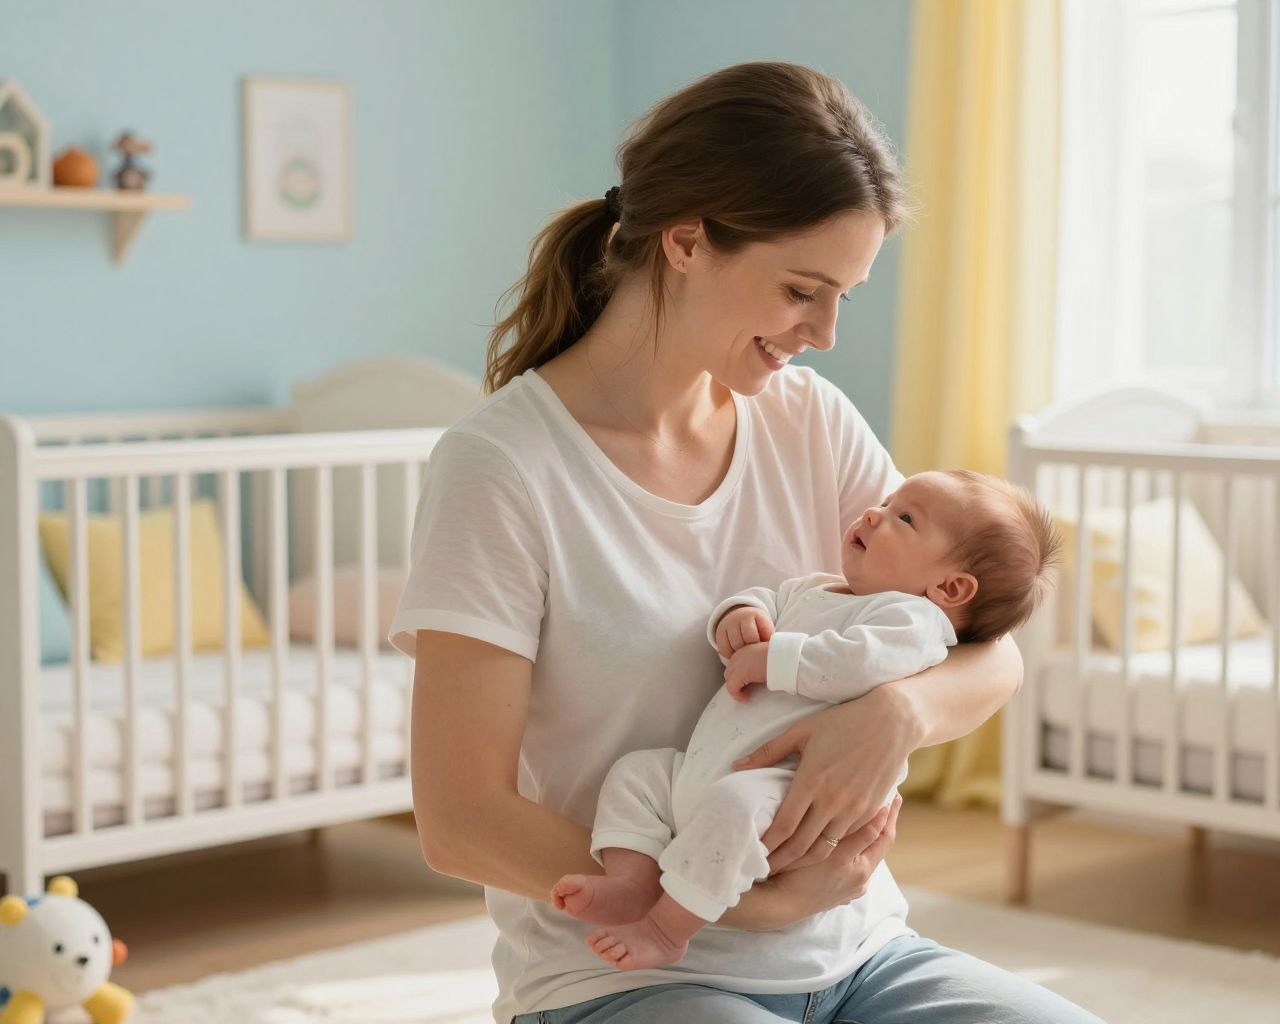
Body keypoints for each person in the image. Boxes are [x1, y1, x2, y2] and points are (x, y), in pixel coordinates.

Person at [390, 60, 1103, 1024]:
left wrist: (895, 712)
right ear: (686, 241)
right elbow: (459, 819)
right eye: (804, 289)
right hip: (627, 974)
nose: (825, 331)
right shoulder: (504, 467)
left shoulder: (808, 420)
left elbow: (986, 650)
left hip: (860, 953)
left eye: (844, 294)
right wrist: (733, 902)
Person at [553, 470, 1063, 973]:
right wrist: (738, 616)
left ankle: (667, 929)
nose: (874, 513)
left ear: (950, 588)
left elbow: (858, 663)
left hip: (785, 787)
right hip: (705, 768)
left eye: (904, 518)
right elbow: (768, 600)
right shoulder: (820, 589)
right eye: (887, 501)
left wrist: (775, 659)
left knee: (732, 811)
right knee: (637, 775)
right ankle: (634, 880)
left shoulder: (913, 623)